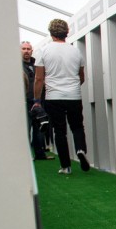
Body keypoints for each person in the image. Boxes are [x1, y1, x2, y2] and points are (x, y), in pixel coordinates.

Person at [33, 19, 89, 174]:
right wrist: (72, 88)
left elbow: (39, 79)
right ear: (67, 32)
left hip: (53, 97)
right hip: (74, 96)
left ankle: (66, 166)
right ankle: (80, 149)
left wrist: (37, 100)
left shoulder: (43, 51)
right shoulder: (75, 51)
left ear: (51, 33)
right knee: (77, 126)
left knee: (59, 131)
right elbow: (81, 77)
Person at [21, 41, 51, 160]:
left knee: (39, 129)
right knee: (26, 129)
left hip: (38, 101)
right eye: (24, 49)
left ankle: (40, 154)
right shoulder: (16, 65)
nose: (26, 51)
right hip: (24, 101)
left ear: (32, 51)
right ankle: (26, 156)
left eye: (28, 49)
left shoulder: (36, 65)